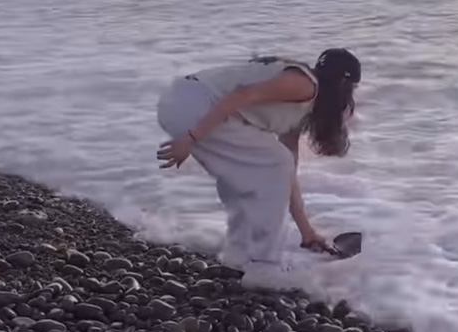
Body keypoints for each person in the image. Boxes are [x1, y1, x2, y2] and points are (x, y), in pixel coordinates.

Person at [155, 49, 361, 286]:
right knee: (273, 165)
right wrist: (191, 138)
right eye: (352, 90)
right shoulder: (305, 86)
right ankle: (264, 267)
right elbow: (241, 95)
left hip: (185, 103)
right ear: (342, 85)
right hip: (195, 104)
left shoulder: (302, 106)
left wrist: (307, 232)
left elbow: (286, 174)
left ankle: (237, 255)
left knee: (252, 176)